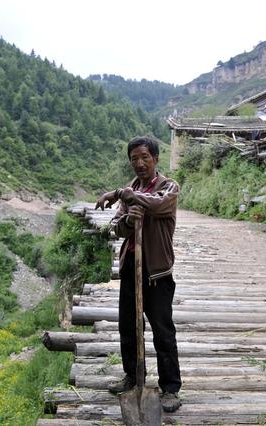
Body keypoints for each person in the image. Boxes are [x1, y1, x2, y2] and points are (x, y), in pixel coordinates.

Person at [95, 136, 182, 413]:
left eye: (145, 157)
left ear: (155, 159)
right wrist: (129, 222)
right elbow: (115, 228)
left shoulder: (169, 187)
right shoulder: (132, 188)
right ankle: (133, 377)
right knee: (128, 327)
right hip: (132, 265)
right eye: (134, 158)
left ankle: (170, 388)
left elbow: (156, 205)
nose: (140, 163)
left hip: (157, 271)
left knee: (162, 330)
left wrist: (120, 193)